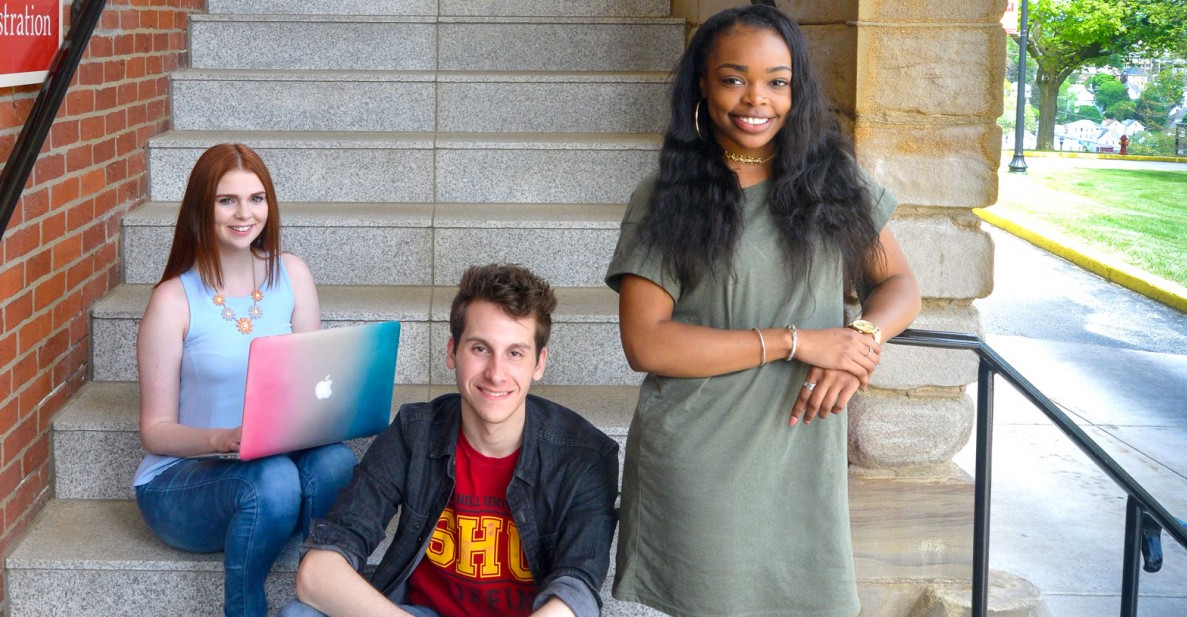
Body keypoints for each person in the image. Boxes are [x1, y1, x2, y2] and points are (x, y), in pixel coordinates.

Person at [604, 4, 922, 616]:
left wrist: (859, 339)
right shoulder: (667, 197)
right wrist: (798, 342)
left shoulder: (833, 182)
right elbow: (646, 342)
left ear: (796, 89)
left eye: (777, 81)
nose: (757, 99)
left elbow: (900, 284)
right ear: (702, 83)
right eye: (734, 78)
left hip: (802, 455)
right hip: (705, 459)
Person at [280, 264, 620, 617]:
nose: (496, 373)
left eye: (515, 353)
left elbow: (576, 591)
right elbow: (319, 570)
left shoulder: (585, 455)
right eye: (480, 349)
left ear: (539, 363)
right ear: (452, 351)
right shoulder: (415, 433)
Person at [131, 143, 357, 617]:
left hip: (273, 465)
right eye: (226, 200)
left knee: (335, 461)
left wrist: (336, 411)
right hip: (183, 482)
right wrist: (224, 439)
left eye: (256, 198)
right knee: (272, 479)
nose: (244, 213)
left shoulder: (292, 274)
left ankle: (317, 602)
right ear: (202, 208)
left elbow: (310, 384)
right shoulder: (173, 301)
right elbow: (154, 430)